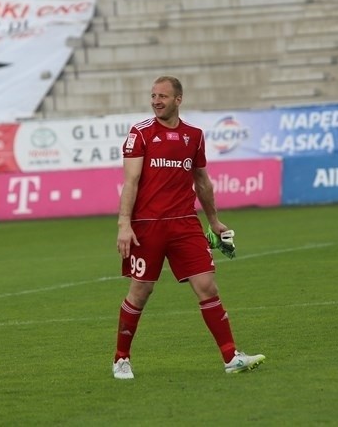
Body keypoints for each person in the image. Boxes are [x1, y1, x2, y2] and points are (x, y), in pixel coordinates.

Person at [112, 75, 265, 379]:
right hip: (147, 225)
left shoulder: (194, 136)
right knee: (141, 291)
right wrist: (124, 224)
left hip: (184, 224)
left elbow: (202, 181)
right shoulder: (140, 133)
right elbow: (130, 181)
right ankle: (121, 358)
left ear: (178, 100)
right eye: (153, 96)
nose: (156, 101)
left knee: (207, 286)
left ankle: (231, 357)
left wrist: (214, 221)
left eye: (163, 96)